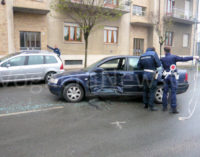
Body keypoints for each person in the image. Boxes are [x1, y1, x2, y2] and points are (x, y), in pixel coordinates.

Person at [161, 47, 199, 114]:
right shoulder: (173, 57)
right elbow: (183, 59)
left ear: (164, 51)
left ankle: (164, 107)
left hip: (166, 77)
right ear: (170, 50)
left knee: (165, 92)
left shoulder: (162, 59)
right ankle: (174, 109)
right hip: (172, 76)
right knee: (173, 92)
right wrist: (193, 57)